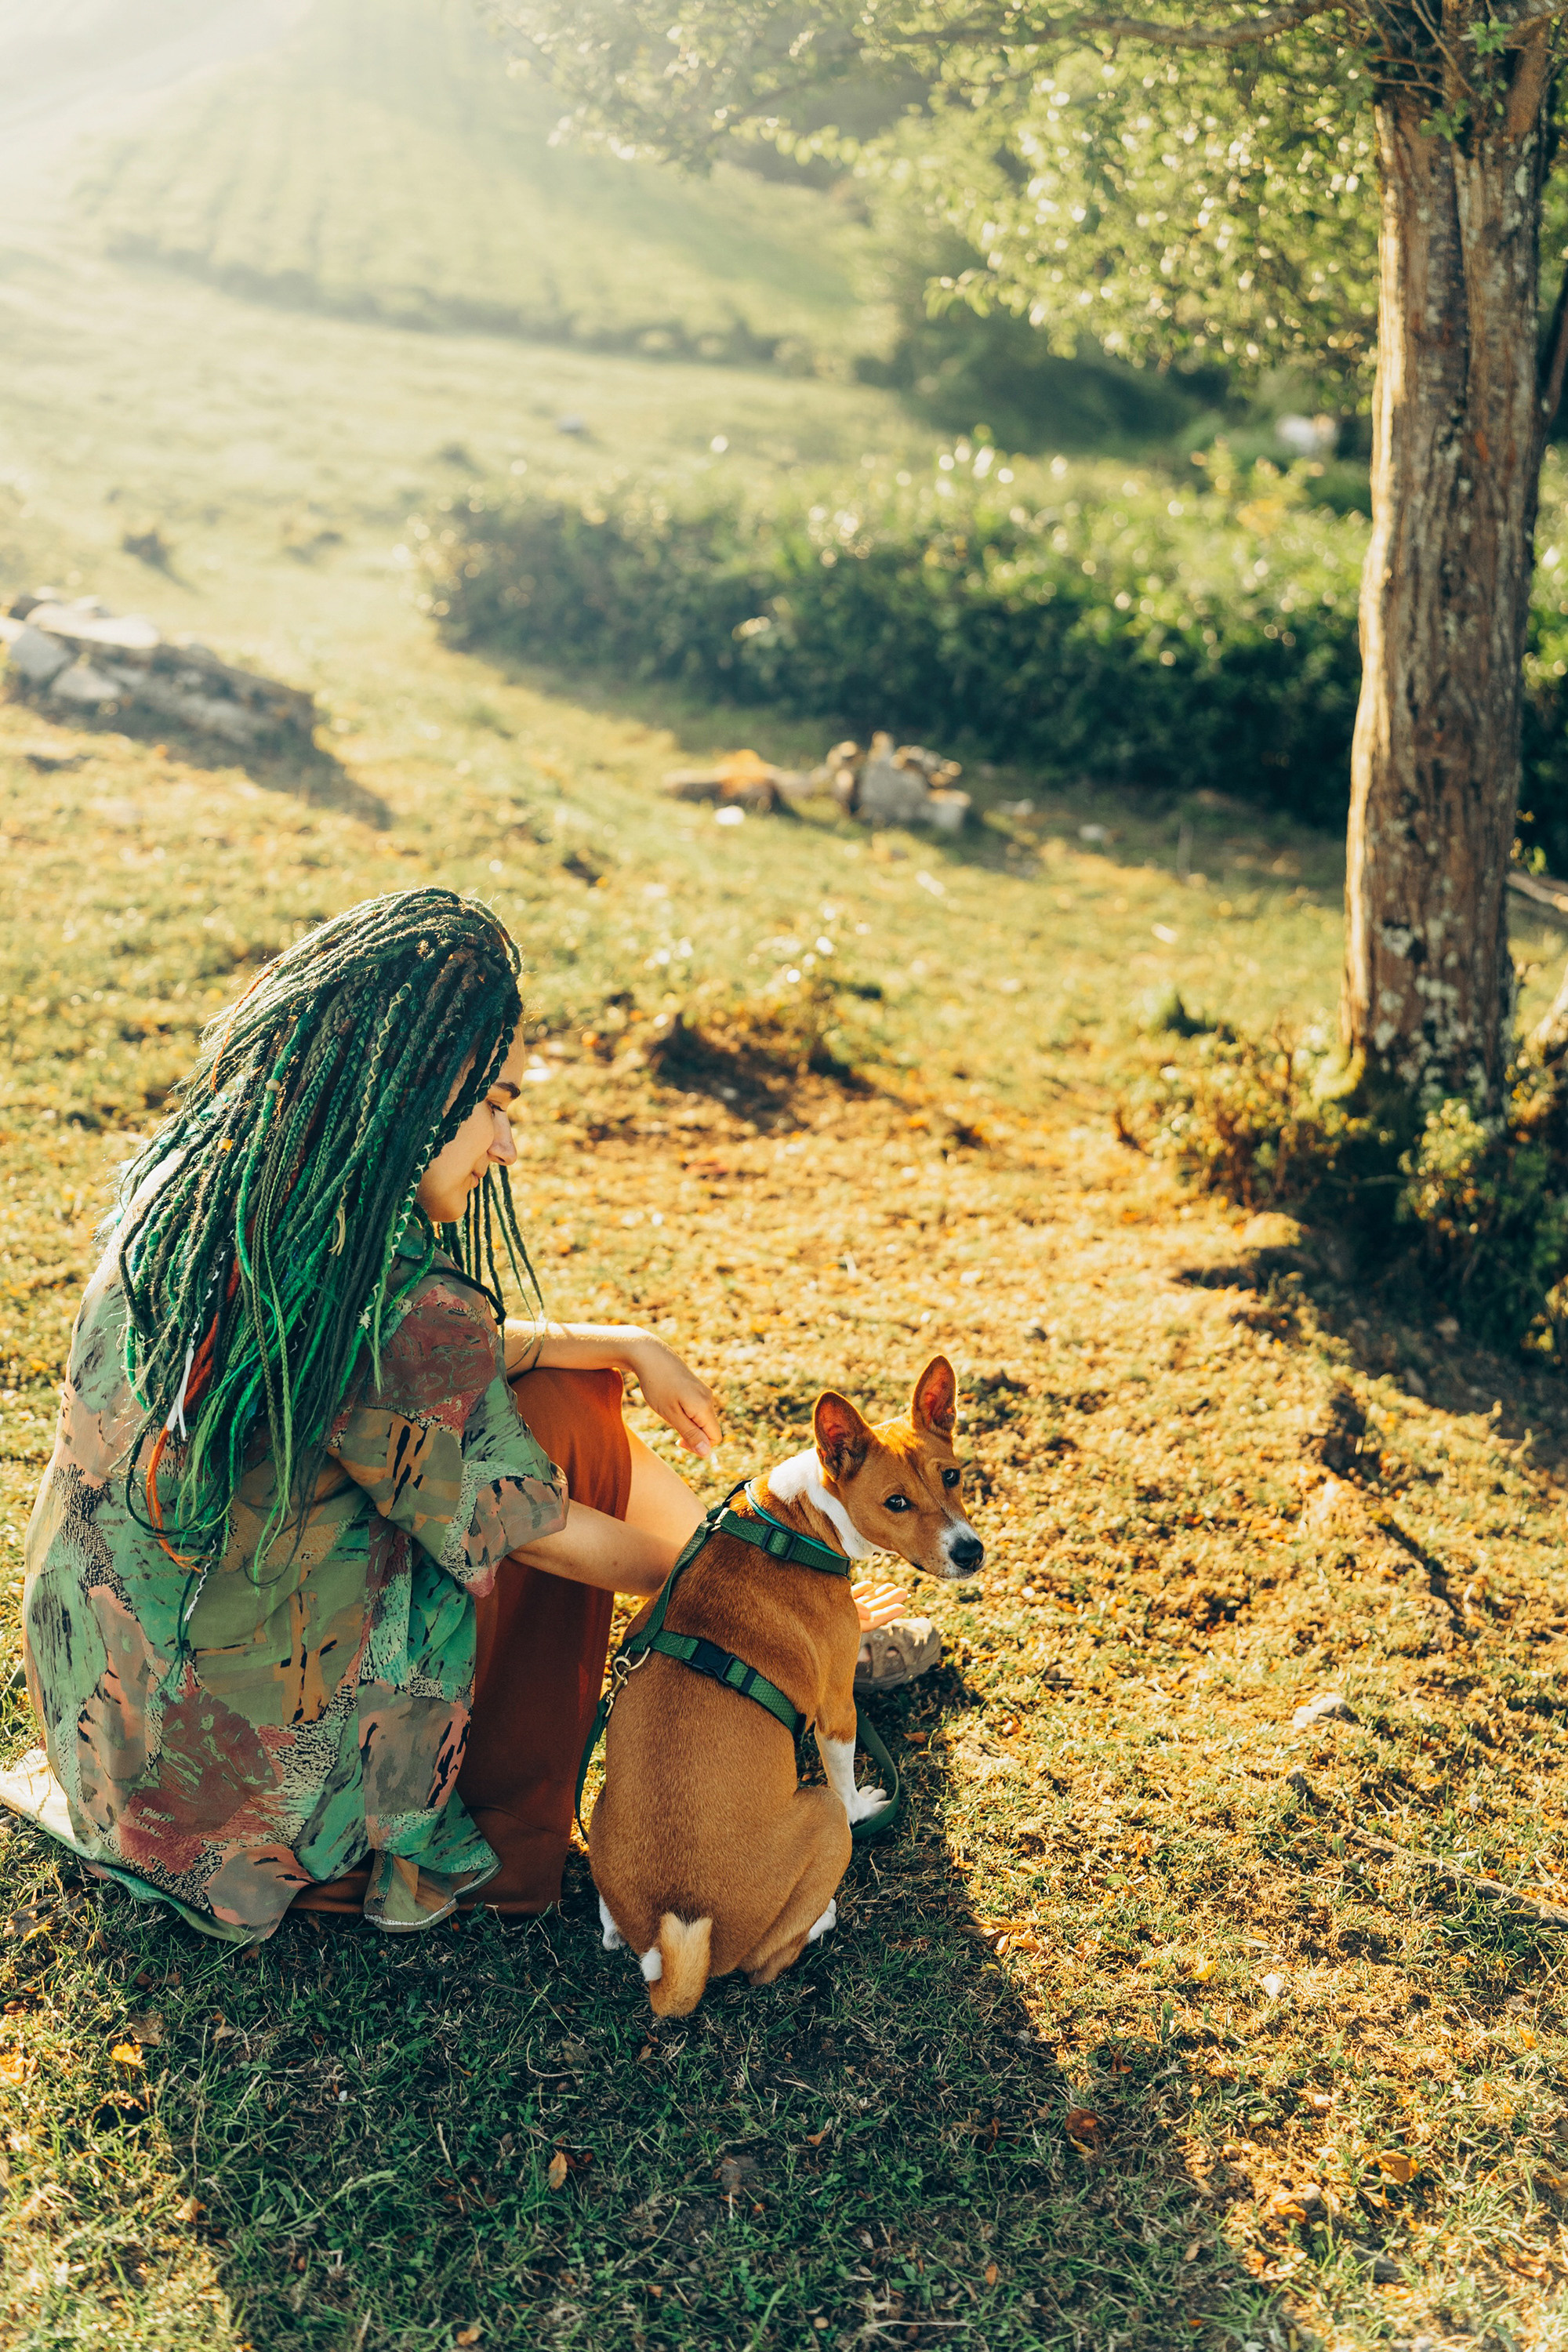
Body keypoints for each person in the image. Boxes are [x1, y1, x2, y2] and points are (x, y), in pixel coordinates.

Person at [2, 889, 914, 1943]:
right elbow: (535, 1530)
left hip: (117, 1751)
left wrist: (610, 1338)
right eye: (498, 1102)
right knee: (569, 1422)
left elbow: (380, 1371)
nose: (509, 1145)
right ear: (424, 1092)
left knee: (566, 1385)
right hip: (245, 1810)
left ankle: (770, 1623)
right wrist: (761, 1596)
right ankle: (541, 1821)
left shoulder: (210, 1194)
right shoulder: (394, 1305)